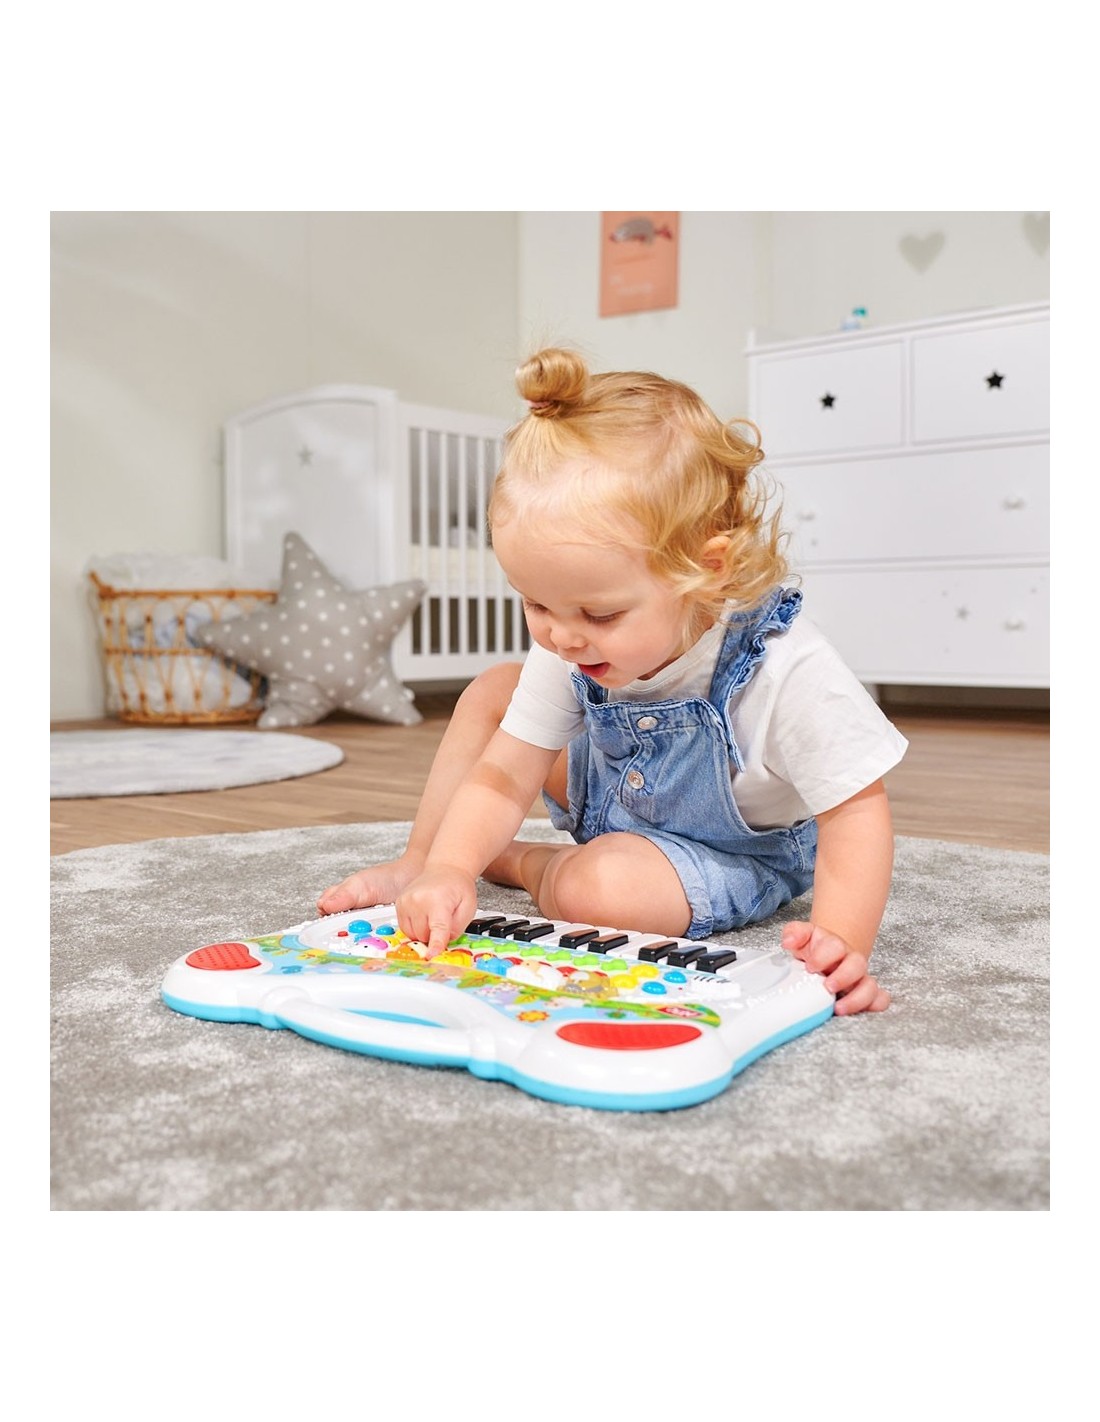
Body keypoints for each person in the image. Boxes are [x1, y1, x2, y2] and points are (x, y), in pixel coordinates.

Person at [318, 348, 908, 1014]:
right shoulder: (570, 639)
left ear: (707, 572)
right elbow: (506, 772)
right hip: (610, 787)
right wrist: (449, 867)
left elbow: (856, 810)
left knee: (601, 894)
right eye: (536, 604)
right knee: (493, 691)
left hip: (724, 851)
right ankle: (421, 859)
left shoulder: (783, 666)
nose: (562, 637)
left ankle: (524, 863)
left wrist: (839, 946)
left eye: (598, 614)